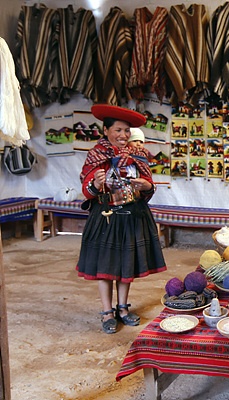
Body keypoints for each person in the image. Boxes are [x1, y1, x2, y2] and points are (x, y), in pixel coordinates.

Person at [77, 104, 167, 334]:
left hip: (132, 215)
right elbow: (87, 190)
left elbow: (149, 185)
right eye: (118, 130)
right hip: (106, 216)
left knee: (127, 263)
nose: (123, 136)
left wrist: (147, 186)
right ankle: (107, 312)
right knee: (105, 266)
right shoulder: (96, 155)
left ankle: (123, 309)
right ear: (106, 130)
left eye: (127, 131)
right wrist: (96, 184)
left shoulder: (138, 155)